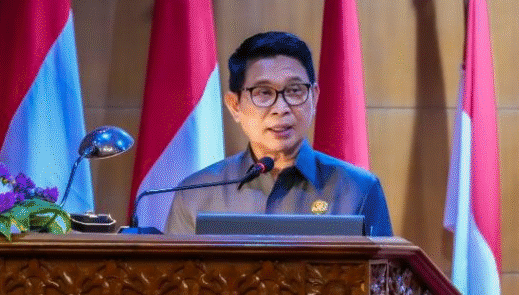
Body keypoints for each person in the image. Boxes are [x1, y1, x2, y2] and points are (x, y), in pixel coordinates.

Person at [164, 31, 393, 236]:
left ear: (313, 97)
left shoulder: (358, 190)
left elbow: (381, 280)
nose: (281, 108)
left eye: (294, 91)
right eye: (263, 93)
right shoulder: (196, 194)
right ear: (235, 106)